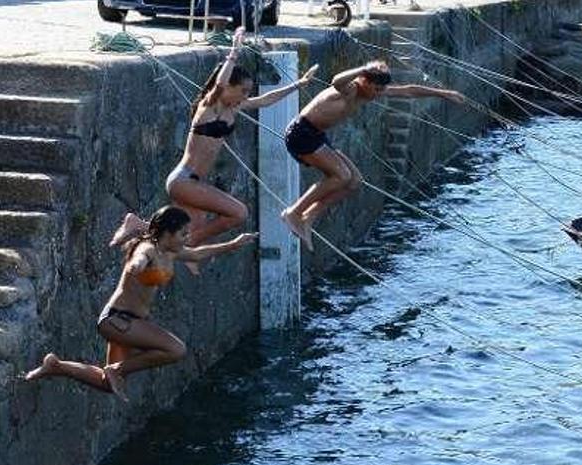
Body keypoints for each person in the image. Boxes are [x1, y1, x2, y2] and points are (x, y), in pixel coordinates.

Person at [110, 26, 318, 272]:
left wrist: (299, 84)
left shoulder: (232, 109)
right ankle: (188, 245)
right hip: (185, 181)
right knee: (239, 213)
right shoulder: (208, 107)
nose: (245, 96)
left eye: (247, 92)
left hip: (196, 184)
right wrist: (233, 53)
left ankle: (144, 227)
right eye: (241, 90)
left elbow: (265, 100)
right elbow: (219, 84)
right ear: (227, 87)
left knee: (178, 230)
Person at [26, 206, 257, 401]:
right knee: (176, 349)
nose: (187, 238)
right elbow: (140, 257)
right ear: (167, 233)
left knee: (107, 385)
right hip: (118, 320)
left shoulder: (171, 251)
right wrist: (136, 265)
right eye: (183, 234)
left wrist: (233, 244)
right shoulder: (148, 248)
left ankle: (56, 366)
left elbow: (197, 254)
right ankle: (117, 370)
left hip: (129, 323)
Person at [281, 60, 466, 248]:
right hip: (301, 133)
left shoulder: (369, 92)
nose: (377, 94)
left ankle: (309, 216)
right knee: (341, 176)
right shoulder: (350, 89)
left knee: (354, 181)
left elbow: (408, 90)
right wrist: (363, 69)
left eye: (380, 90)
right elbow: (336, 81)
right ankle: (294, 212)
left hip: (317, 136)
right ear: (363, 81)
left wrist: (443, 93)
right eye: (375, 89)